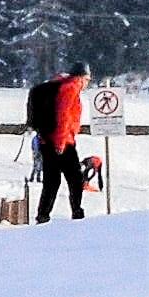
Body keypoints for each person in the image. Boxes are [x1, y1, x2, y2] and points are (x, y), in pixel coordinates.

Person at [31, 69, 90, 223]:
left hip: (48, 139)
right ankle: (77, 212)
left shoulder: (59, 85)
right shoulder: (70, 87)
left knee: (52, 180)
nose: (87, 83)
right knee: (75, 179)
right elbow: (63, 115)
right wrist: (61, 142)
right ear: (80, 77)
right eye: (87, 79)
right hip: (62, 141)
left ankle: (43, 215)